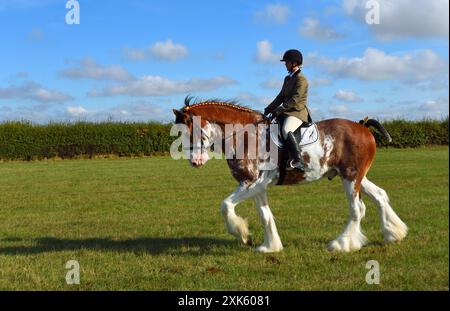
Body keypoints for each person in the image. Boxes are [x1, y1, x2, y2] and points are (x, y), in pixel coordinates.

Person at [264, 49, 310, 170]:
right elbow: (280, 96)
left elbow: (295, 99)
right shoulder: (287, 78)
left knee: (286, 129)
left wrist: (278, 110)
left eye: (287, 62)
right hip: (285, 112)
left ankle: (298, 159)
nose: (285, 64)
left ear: (294, 63)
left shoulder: (302, 79)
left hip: (297, 112)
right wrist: (269, 108)